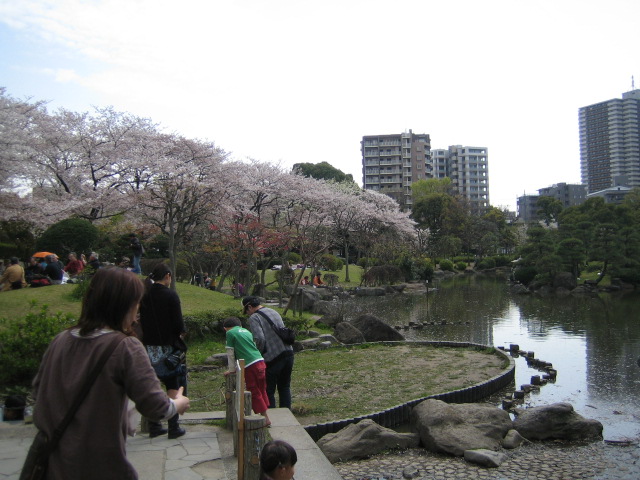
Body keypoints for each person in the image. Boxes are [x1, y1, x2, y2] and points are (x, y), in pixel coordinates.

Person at [31, 267, 189, 479]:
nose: (137, 311)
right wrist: (178, 403)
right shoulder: (125, 347)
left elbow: (38, 391)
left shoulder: (61, 340)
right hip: (99, 463)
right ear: (125, 305)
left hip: (53, 461)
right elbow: (156, 406)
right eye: (136, 302)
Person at [139, 263, 187, 438]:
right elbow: (178, 324)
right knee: (172, 383)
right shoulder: (170, 295)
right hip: (168, 347)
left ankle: (154, 425)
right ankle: (173, 426)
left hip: (148, 348)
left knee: (153, 385)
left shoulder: (144, 295)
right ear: (167, 276)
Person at [242, 296, 294, 409]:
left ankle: (273, 416)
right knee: (284, 386)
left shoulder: (254, 317)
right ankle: (287, 414)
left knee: (268, 390)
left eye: (246, 311)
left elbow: (259, 339)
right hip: (288, 353)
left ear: (250, 307)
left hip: (273, 357)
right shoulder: (273, 311)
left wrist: (258, 355)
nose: (247, 314)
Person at [223, 317, 271, 426]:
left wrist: (231, 370)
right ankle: (266, 413)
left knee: (253, 390)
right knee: (262, 389)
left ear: (225, 328)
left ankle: (265, 418)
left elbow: (230, 353)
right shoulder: (246, 331)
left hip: (250, 364)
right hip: (260, 361)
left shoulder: (230, 333)